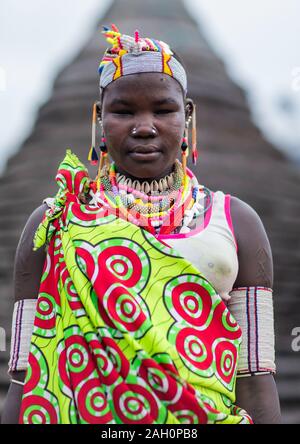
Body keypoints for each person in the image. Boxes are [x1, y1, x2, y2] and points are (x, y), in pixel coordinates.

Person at [1, 25, 281, 424]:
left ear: (188, 116)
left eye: (164, 109)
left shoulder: (237, 223)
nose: (144, 126)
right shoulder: (55, 221)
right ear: (99, 118)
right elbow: (25, 376)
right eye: (124, 111)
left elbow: (255, 375)